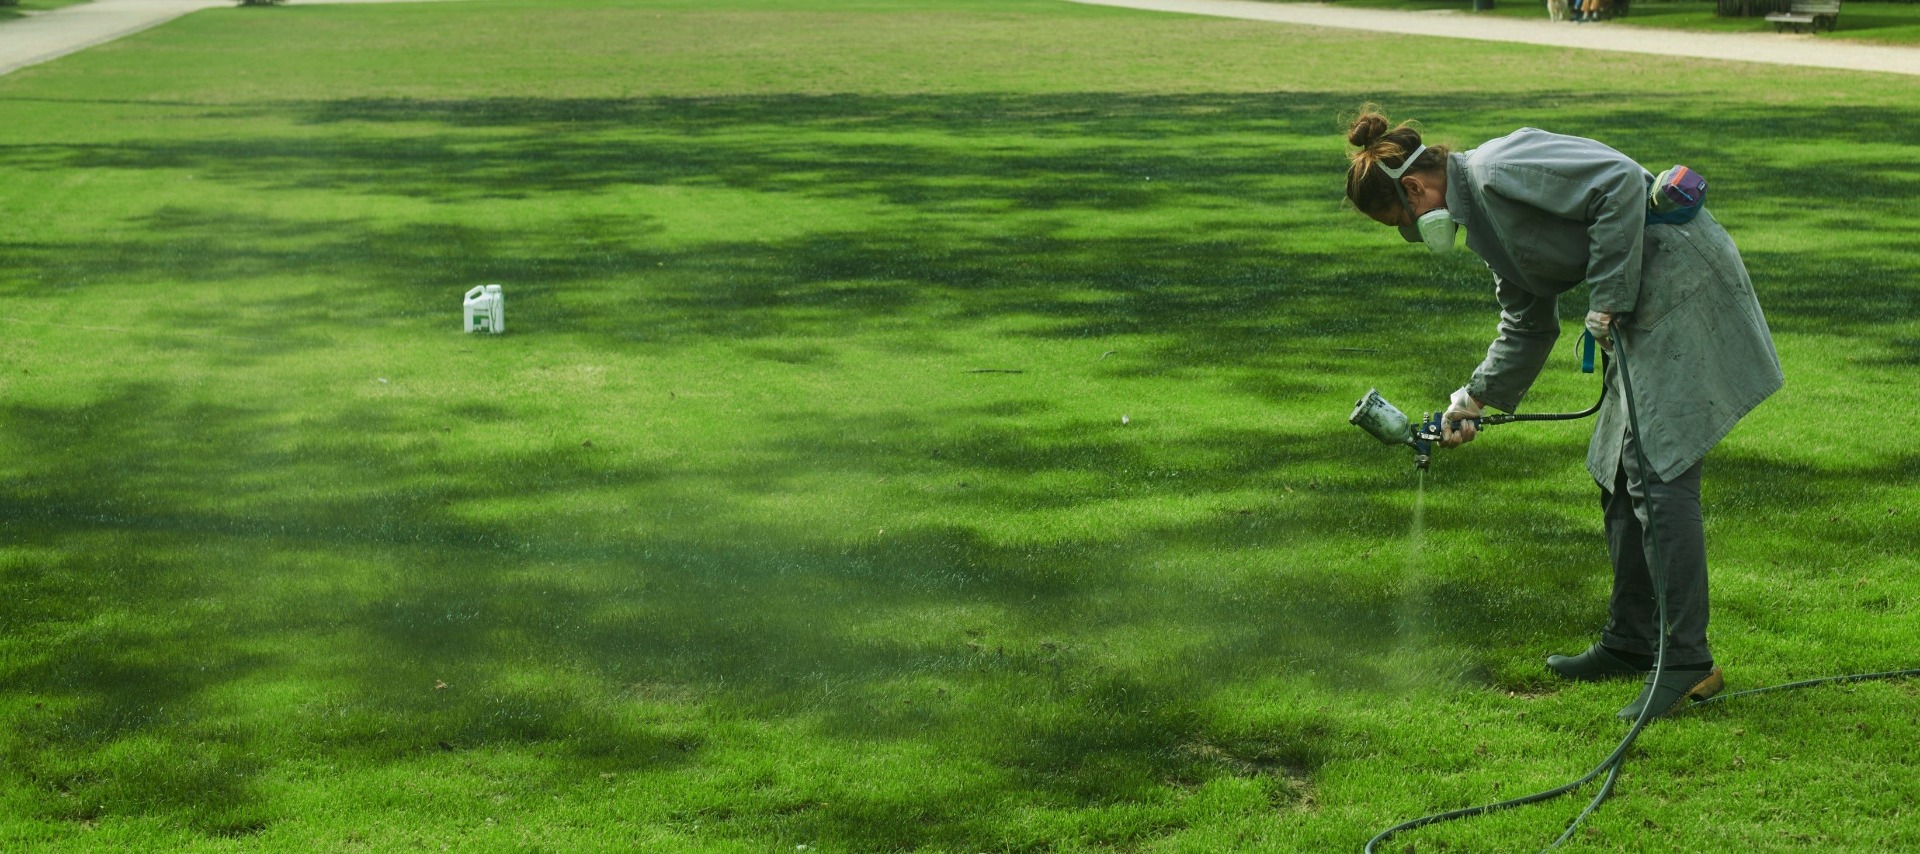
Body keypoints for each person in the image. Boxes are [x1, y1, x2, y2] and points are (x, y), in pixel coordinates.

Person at [1340, 107, 1783, 720]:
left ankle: (1686, 661)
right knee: (1615, 469)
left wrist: (1606, 297)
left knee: (1657, 473)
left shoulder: (1499, 170)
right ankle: (1632, 642)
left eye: (1403, 222)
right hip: (1637, 305)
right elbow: (1526, 320)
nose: (1413, 234)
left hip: (1678, 283)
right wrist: (1471, 398)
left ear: (1415, 188)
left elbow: (1619, 185)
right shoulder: (1484, 220)